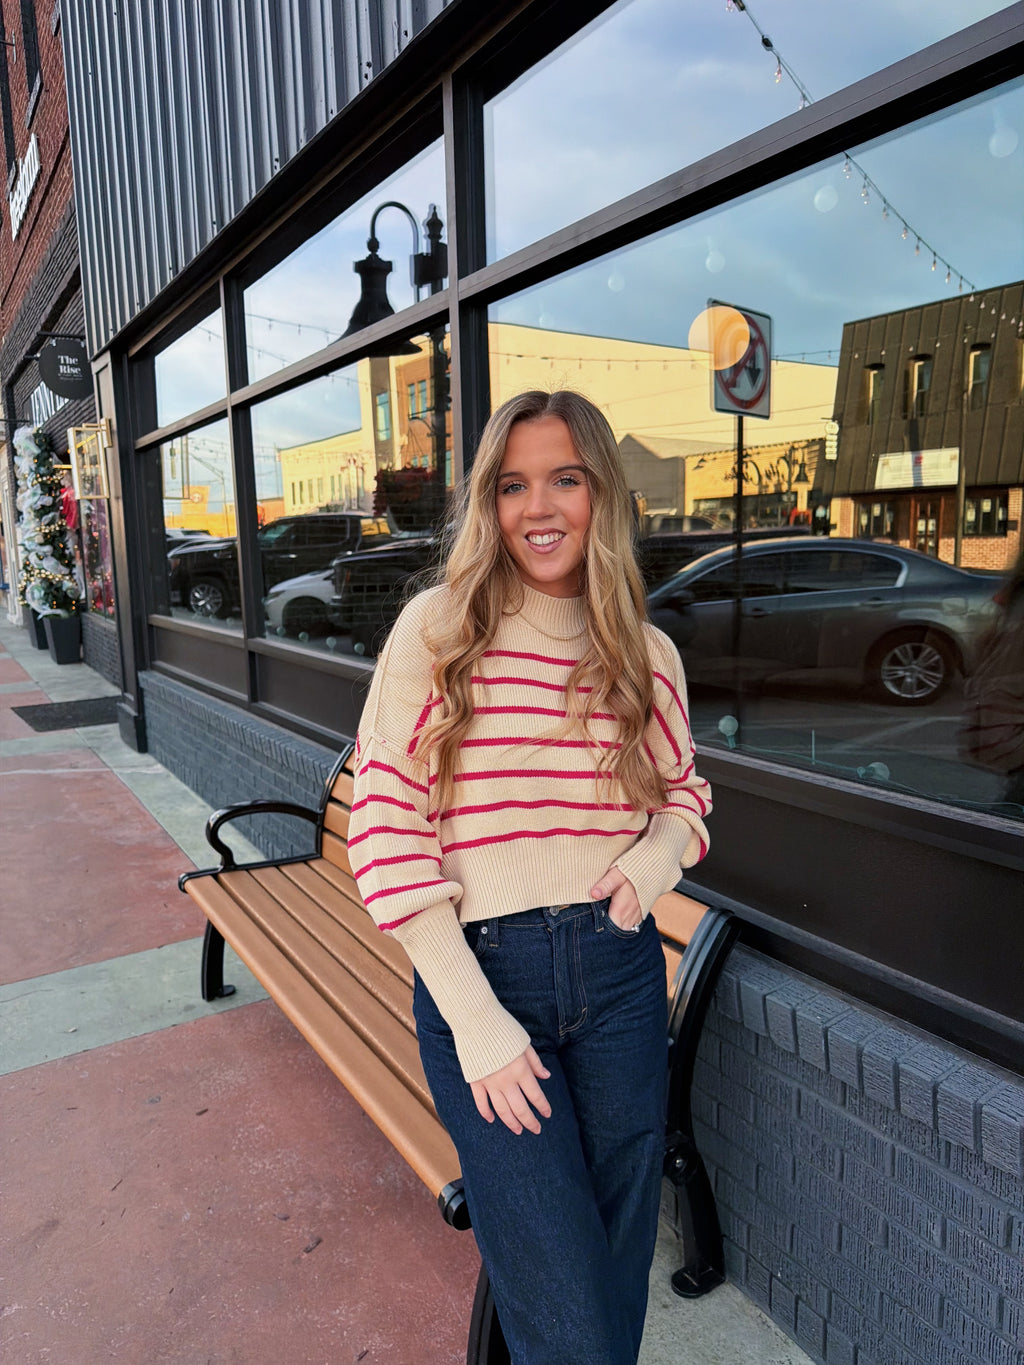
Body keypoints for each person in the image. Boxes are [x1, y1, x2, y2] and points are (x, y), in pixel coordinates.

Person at [349, 390, 712, 1365]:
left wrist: (651, 859)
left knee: (605, 1276)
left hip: (621, 983)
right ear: (488, 502)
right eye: (512, 485)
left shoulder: (646, 650)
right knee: (571, 1315)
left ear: (601, 493)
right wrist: (475, 1020)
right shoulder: (441, 628)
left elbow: (686, 796)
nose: (537, 506)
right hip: (486, 983)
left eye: (564, 479)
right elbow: (384, 830)